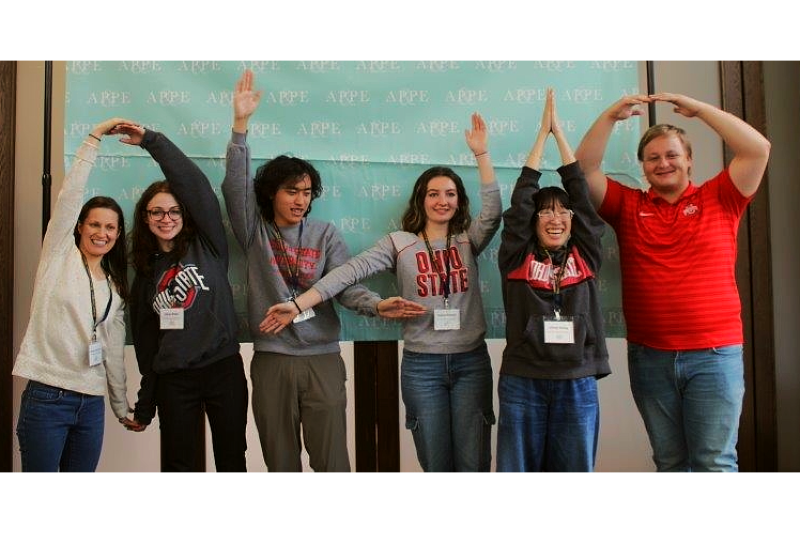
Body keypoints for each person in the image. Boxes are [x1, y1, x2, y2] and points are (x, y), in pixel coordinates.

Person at [264, 111, 502, 473]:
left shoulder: (470, 238)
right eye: (434, 193)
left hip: (471, 361)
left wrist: (481, 156)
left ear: (459, 200)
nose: (443, 201)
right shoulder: (400, 243)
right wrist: (297, 304)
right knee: (435, 462)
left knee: (474, 462)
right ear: (420, 199)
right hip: (423, 366)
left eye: (451, 194)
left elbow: (494, 212)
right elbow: (346, 274)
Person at [222, 71, 420, 473]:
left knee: (332, 460)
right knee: (280, 460)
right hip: (273, 358)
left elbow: (345, 287)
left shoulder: (324, 233)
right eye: (291, 191)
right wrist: (240, 128)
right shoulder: (255, 232)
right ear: (271, 194)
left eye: (307, 192)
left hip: (323, 358)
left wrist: (377, 307)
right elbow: (234, 188)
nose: (300, 199)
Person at [575, 93, 771, 473]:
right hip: (651, 357)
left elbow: (758, 149)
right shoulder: (627, 206)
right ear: (643, 167)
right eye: (653, 158)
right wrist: (610, 115)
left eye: (672, 155)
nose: (663, 163)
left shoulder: (723, 196)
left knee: (714, 462)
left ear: (689, 161)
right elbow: (583, 168)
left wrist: (700, 110)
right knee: (670, 463)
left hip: (714, 356)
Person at [13, 118, 138, 473]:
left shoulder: (113, 286)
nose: (102, 232)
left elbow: (113, 348)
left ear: (117, 234)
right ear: (80, 226)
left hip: (91, 402)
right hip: (48, 395)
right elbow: (70, 196)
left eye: (110, 227)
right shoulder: (58, 256)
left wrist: (118, 403)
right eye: (94, 224)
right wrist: (94, 137)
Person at [124, 122, 248, 473]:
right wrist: (146, 404)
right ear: (146, 219)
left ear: (186, 214)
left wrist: (152, 141)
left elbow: (195, 186)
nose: (166, 218)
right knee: (179, 465)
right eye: (157, 212)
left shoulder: (208, 244)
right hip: (175, 380)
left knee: (231, 460)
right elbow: (149, 348)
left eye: (174, 210)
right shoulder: (146, 275)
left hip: (223, 369)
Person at [497, 89, 610, 473]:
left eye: (563, 212)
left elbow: (582, 195)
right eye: (545, 212)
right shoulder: (515, 255)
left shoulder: (587, 252)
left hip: (576, 380)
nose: (555, 218)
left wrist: (559, 135)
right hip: (523, 380)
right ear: (534, 221)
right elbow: (518, 209)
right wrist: (539, 139)